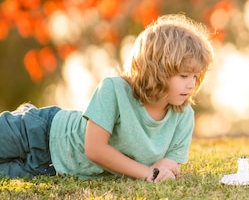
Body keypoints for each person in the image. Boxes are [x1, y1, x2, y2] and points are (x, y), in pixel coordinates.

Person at [0, 13, 214, 182]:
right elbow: (94, 149)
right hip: (36, 132)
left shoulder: (183, 116)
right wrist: (148, 172)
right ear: (157, 70)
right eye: (184, 75)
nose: (191, 84)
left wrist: (164, 170)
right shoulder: (115, 89)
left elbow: (168, 164)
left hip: (49, 169)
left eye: (196, 76)